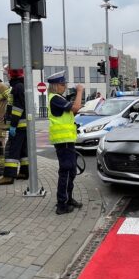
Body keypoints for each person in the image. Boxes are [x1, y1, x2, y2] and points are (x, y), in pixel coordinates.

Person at [46, 71, 84, 215]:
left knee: (71, 171)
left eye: (65, 84)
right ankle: (62, 204)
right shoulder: (55, 98)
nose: (65, 87)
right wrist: (79, 91)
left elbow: (71, 113)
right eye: (63, 84)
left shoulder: (59, 98)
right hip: (63, 141)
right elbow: (75, 108)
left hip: (68, 140)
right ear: (55, 85)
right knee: (66, 171)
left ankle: (68, 199)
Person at [0, 66, 27, 185]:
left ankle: (8, 176)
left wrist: (13, 124)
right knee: (23, 150)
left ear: (12, 74)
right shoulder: (21, 86)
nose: (6, 75)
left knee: (11, 150)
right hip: (22, 125)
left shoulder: (17, 87)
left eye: (7, 73)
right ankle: (24, 171)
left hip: (18, 125)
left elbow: (17, 108)